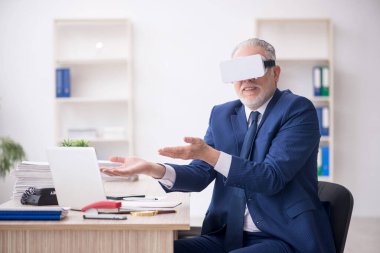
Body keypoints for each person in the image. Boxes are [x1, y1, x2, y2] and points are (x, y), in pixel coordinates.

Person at [101, 38, 336, 253]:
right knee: (157, 249)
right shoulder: (222, 115)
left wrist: (211, 155)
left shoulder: (297, 110)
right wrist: (152, 169)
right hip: (226, 235)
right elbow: (200, 174)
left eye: (254, 68)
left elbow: (270, 177)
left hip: (283, 238)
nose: (247, 79)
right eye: (238, 72)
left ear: (275, 73)